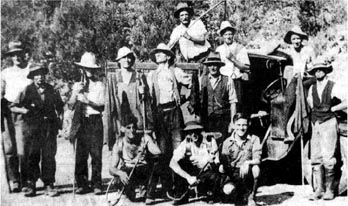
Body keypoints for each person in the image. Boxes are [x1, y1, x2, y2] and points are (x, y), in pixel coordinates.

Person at [11, 64, 64, 197]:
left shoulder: (52, 90)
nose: (39, 77)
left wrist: (60, 121)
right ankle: (31, 185)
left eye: (41, 74)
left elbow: (60, 107)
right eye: (36, 74)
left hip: (49, 128)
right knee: (32, 156)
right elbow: (13, 106)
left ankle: (49, 184)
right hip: (33, 129)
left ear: (44, 75)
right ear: (33, 77)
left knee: (49, 156)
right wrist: (25, 110)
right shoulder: (27, 90)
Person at [147, 43, 191, 195]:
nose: (158, 55)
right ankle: (166, 187)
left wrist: (184, 99)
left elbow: (190, 83)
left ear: (167, 56)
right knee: (163, 150)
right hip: (160, 114)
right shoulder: (152, 75)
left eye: (161, 53)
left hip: (174, 112)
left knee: (178, 149)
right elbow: (147, 95)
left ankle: (180, 188)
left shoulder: (175, 71)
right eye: (157, 53)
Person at [109, 94, 161, 204]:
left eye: (134, 127)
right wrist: (120, 173)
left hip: (143, 169)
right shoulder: (119, 143)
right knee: (128, 193)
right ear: (123, 129)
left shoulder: (144, 138)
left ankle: (149, 194)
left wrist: (148, 145)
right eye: (128, 128)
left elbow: (158, 152)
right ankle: (129, 191)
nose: (132, 130)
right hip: (129, 171)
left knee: (157, 163)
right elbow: (111, 168)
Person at [306, 60, 346, 201]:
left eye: (321, 69)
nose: (318, 72)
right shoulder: (312, 87)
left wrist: (333, 109)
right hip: (315, 122)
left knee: (328, 156)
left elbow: (346, 101)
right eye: (316, 70)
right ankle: (319, 189)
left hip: (329, 122)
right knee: (316, 157)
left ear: (326, 70)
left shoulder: (334, 86)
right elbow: (310, 103)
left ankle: (330, 190)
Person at [68, 52, 106, 195]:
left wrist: (87, 101)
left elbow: (102, 106)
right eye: (86, 68)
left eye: (91, 68)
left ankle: (97, 183)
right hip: (81, 121)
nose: (89, 71)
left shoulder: (100, 85)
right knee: (81, 154)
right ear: (82, 69)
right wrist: (75, 93)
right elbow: (70, 105)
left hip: (95, 121)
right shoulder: (78, 85)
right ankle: (82, 184)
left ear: (95, 70)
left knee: (96, 154)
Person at [1, 41, 32, 193]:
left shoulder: (30, 69)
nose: (16, 57)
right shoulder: (5, 72)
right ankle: (14, 180)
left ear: (23, 53)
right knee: (9, 148)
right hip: (7, 111)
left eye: (19, 53)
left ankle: (25, 180)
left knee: (23, 148)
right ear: (10, 57)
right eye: (13, 55)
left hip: (24, 112)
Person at [169, 119, 222, 204]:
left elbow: (217, 163)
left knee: (214, 174)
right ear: (187, 134)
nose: (193, 135)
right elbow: (172, 163)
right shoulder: (186, 143)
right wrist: (188, 177)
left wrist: (208, 161)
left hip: (207, 173)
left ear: (201, 131)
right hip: (193, 173)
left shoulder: (210, 141)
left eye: (196, 131)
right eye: (190, 132)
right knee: (181, 163)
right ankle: (181, 194)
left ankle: (210, 193)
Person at [220, 113, 261, 206]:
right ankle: (239, 195)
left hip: (247, 173)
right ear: (234, 125)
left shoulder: (254, 139)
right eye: (238, 125)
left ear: (248, 125)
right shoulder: (227, 142)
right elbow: (225, 163)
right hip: (233, 174)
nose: (241, 128)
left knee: (256, 169)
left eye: (244, 125)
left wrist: (247, 162)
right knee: (228, 190)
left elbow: (258, 159)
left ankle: (251, 196)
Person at [199, 52, 238, 143]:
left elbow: (233, 102)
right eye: (210, 65)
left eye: (215, 65)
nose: (213, 68)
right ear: (208, 67)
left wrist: (232, 122)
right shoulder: (202, 80)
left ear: (219, 66)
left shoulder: (228, 80)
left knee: (222, 143)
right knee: (207, 145)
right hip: (207, 119)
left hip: (223, 119)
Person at [216, 21, 250, 112]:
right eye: (226, 34)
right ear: (222, 36)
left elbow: (246, 67)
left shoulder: (240, 48)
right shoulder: (219, 49)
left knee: (238, 105)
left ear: (233, 35)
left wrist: (233, 59)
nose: (228, 36)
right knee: (222, 105)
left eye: (230, 34)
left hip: (236, 80)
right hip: (223, 80)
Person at [114, 47, 148, 130]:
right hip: (120, 116)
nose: (127, 60)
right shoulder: (115, 77)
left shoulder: (138, 76)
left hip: (136, 117)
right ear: (119, 60)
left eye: (129, 57)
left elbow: (146, 100)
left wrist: (142, 92)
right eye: (124, 57)